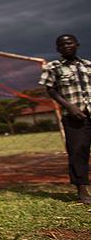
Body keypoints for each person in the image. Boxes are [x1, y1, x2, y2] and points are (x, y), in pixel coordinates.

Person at [39, 34, 91, 204]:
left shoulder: (87, 65)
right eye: (62, 45)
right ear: (57, 49)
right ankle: (82, 189)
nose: (66, 46)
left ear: (77, 44)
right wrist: (69, 106)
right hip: (74, 116)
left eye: (69, 43)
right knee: (78, 152)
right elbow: (51, 90)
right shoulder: (54, 67)